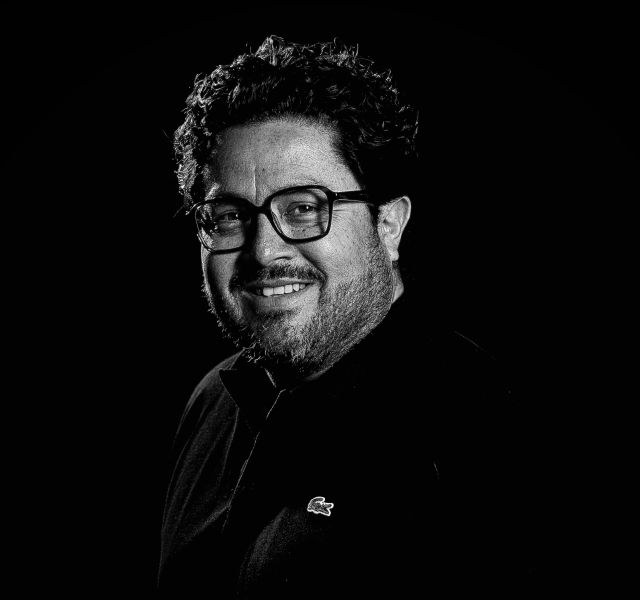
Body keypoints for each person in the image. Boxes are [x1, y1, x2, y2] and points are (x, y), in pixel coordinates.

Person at [159, 35, 538, 597]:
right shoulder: (211, 401)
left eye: (304, 208)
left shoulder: (480, 433)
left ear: (389, 226)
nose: (264, 252)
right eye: (229, 215)